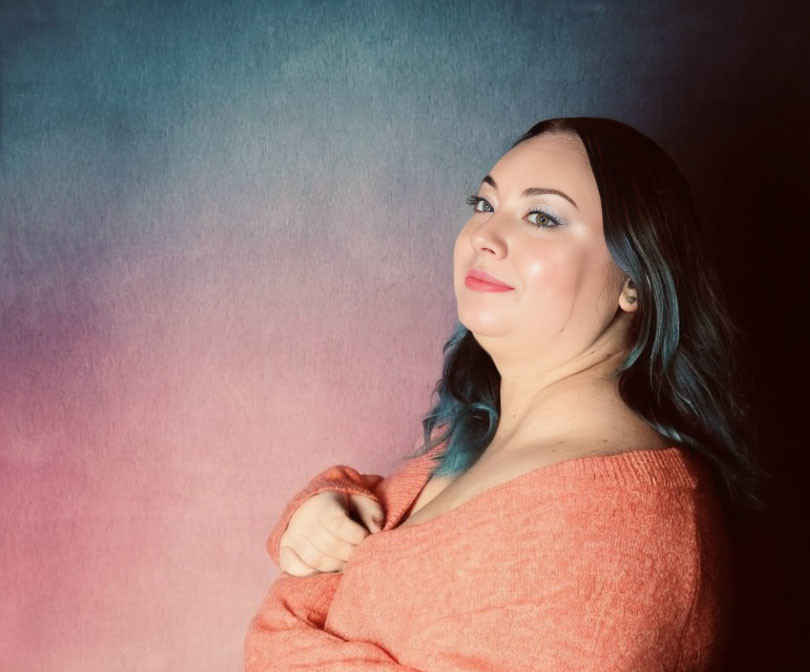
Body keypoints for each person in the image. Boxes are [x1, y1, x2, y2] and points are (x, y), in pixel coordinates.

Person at [244, 117, 771, 671]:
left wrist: (285, 621)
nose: (483, 237)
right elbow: (368, 548)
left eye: (542, 217)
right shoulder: (474, 439)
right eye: (483, 205)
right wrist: (317, 514)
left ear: (635, 280)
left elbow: (286, 625)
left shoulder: (620, 542)